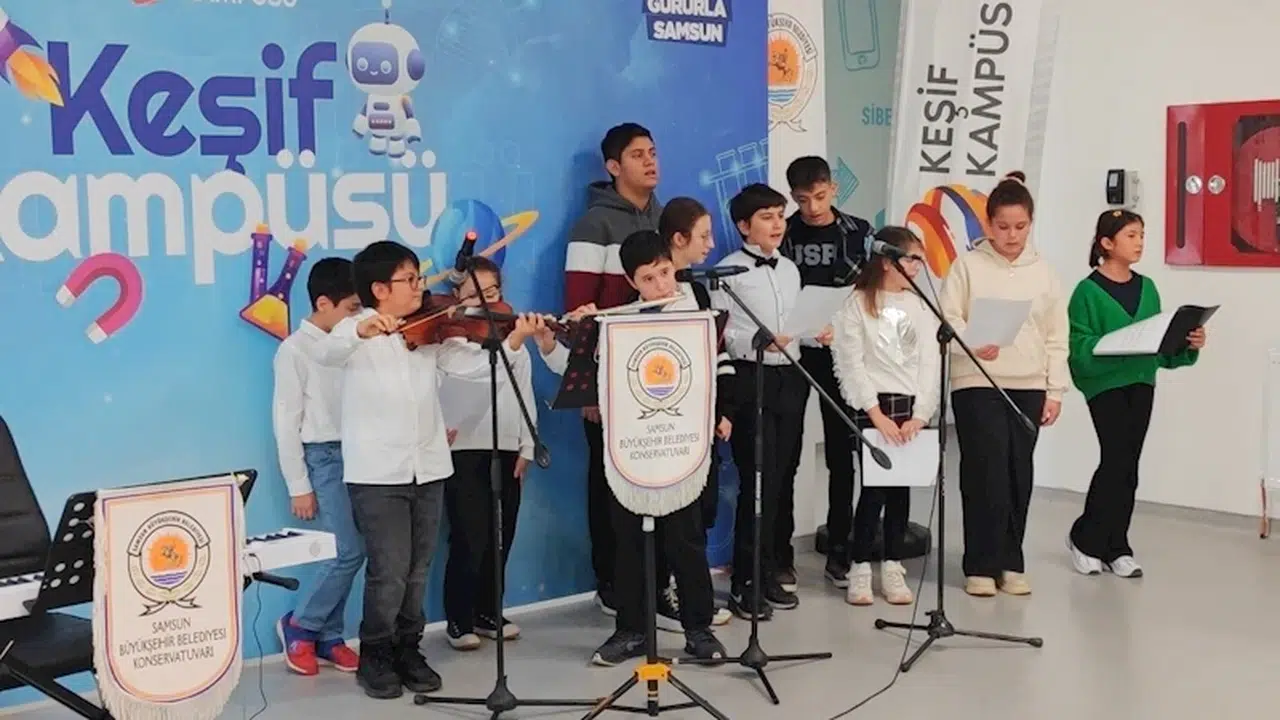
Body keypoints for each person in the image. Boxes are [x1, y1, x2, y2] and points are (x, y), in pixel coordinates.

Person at [315, 240, 540, 699]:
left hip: (429, 466)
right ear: (379, 289)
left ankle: (409, 649)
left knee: (417, 569)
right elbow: (327, 353)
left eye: (419, 278)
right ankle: (376, 654)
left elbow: (474, 371)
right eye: (409, 279)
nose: (420, 287)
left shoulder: (431, 332)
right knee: (389, 571)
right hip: (378, 473)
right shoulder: (354, 332)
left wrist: (513, 343)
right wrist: (361, 331)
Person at [532, 231, 731, 668]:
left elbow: (713, 370)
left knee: (687, 541)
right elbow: (577, 372)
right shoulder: (616, 321)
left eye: (665, 273)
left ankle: (698, 631)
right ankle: (631, 632)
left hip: (680, 444)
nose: (661, 286)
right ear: (631, 281)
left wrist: (720, 412)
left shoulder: (696, 313)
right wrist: (555, 341)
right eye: (648, 279)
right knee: (629, 543)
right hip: (632, 447)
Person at [938, 171, 1070, 598]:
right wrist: (973, 341)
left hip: (1029, 384)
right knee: (984, 470)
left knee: (1018, 473)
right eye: (1003, 226)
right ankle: (980, 564)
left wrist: (1055, 390)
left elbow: (1056, 335)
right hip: (977, 380)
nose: (1012, 236)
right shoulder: (968, 266)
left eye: (1020, 226)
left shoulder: (1044, 272)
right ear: (988, 224)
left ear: (1031, 223)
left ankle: (1011, 561)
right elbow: (948, 319)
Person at [1065, 209, 1205, 578]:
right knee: (1116, 460)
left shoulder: (1148, 288)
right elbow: (1077, 347)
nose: (1139, 242)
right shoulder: (1086, 292)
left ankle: (1116, 546)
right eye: (1131, 235)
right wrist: (1114, 345)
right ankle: (1086, 539)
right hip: (1105, 386)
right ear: (1106, 243)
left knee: (1129, 466)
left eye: (1141, 234)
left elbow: (1160, 344)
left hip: (1141, 382)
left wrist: (1188, 342)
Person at [563, 122, 664, 617]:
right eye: (638, 155)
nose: (650, 161)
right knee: (608, 487)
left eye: (653, 152)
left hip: (661, 380)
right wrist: (588, 389)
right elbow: (577, 312)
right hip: (608, 381)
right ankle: (612, 583)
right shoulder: (594, 226)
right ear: (613, 166)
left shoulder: (666, 220)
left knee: (655, 485)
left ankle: (655, 583)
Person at [830, 227, 939, 606]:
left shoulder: (920, 307)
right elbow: (851, 362)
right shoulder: (858, 303)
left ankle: (893, 563)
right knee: (874, 488)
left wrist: (921, 414)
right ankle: (860, 565)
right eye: (913, 259)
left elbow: (929, 363)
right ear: (889, 261)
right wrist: (875, 413)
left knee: (900, 490)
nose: (919, 267)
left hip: (910, 408)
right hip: (874, 406)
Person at [711, 183, 805, 619]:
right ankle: (744, 582)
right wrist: (755, 340)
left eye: (780, 215)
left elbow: (794, 321)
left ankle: (769, 572)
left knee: (783, 477)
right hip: (751, 377)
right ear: (744, 225)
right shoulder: (726, 271)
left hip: (791, 376)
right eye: (767, 217)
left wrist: (813, 331)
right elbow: (720, 331)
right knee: (758, 481)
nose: (777, 224)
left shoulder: (790, 269)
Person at [780, 156, 874, 589]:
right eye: (803, 200)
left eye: (819, 197)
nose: (813, 208)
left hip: (840, 350)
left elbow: (869, 290)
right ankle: (780, 554)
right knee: (786, 451)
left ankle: (841, 550)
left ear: (833, 188)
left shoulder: (858, 232)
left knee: (842, 452)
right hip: (794, 352)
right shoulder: (784, 233)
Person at [272, 257, 365, 676]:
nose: (358, 316)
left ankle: (329, 636)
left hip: (362, 453)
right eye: (351, 308)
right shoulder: (294, 350)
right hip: (324, 456)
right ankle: (300, 625)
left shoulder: (356, 342)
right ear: (324, 303)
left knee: (353, 550)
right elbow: (285, 420)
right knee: (346, 551)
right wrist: (299, 484)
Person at [439, 256, 536, 651]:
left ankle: (489, 611)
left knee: (502, 535)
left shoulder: (513, 337)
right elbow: (478, 371)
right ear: (456, 297)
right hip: (464, 449)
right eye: (473, 295)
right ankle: (459, 618)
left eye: (492, 292)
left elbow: (524, 390)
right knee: (470, 535)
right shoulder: (450, 342)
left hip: (507, 445)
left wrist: (528, 443)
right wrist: (512, 343)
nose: (484, 302)